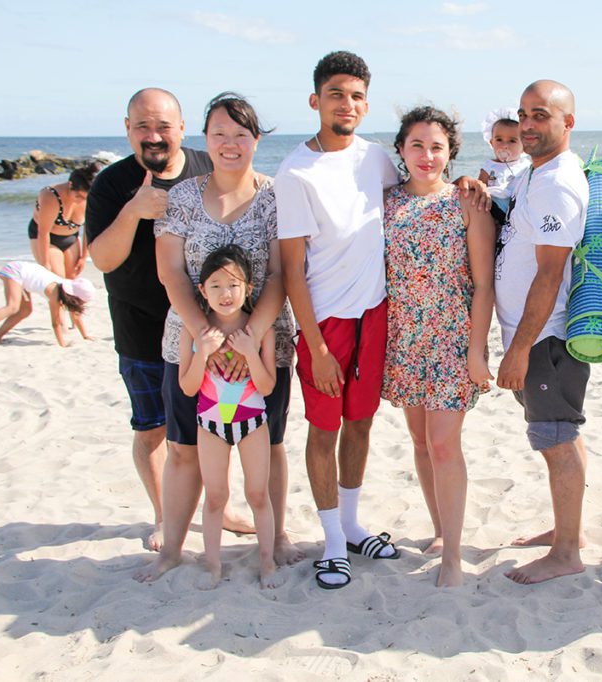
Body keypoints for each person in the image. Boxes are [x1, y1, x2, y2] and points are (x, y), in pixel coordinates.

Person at [138, 92, 302, 583]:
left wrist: (249, 338)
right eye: (219, 134)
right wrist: (207, 335)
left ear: (256, 139)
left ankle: (279, 537)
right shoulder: (184, 197)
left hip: (263, 344)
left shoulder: (276, 195)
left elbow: (278, 275)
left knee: (269, 443)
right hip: (190, 343)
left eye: (241, 134)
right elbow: (171, 274)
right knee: (183, 447)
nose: (230, 144)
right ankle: (172, 549)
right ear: (204, 140)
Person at [277, 51, 403, 591]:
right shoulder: (294, 172)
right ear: (315, 101)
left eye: (355, 96)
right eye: (335, 94)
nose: (346, 104)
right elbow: (290, 270)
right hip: (324, 322)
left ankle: (351, 525)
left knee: (361, 422)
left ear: (365, 103)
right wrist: (317, 346)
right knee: (323, 429)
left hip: (374, 312)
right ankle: (331, 542)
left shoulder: (376, 157)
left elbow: (416, 194)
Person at [86, 88, 216, 553]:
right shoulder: (111, 184)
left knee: (212, 425)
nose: (154, 136)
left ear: (182, 128)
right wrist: (133, 211)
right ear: (127, 129)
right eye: (142, 126)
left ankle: (216, 508)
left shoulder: (208, 167)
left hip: (202, 327)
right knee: (152, 427)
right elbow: (101, 257)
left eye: (163, 126)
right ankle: (165, 514)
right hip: (140, 325)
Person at [383, 106, 495, 587]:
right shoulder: (385, 201)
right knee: (420, 442)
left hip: (453, 340)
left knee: (445, 444)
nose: (426, 156)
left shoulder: (468, 203)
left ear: (450, 153)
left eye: (436, 147)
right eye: (417, 145)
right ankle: (437, 529)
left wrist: (477, 350)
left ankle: (452, 553)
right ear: (401, 150)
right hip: (403, 339)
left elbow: (485, 285)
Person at [494, 80, 590, 585]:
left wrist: (518, 350)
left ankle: (567, 551)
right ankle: (566, 530)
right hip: (535, 338)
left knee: (555, 440)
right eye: (523, 114)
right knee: (561, 437)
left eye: (540, 115)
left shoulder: (557, 182)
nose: (527, 125)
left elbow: (551, 275)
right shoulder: (536, 173)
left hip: (545, 342)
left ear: (566, 122)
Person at [179, 245, 281, 590]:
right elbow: (189, 388)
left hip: (252, 423)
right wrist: (202, 352)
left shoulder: (258, 331)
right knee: (216, 496)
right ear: (202, 290)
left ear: (248, 288)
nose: (226, 294)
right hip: (210, 425)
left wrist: (251, 353)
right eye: (216, 285)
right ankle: (212, 565)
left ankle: (267, 560)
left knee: (257, 494)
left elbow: (266, 386)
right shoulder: (195, 332)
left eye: (234, 285)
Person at [0, 261, 94, 346]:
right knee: (12, 307)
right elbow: (55, 323)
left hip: (23, 275)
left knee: (25, 311)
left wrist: (85, 336)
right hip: (15, 270)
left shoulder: (64, 289)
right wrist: (62, 344)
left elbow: (76, 316)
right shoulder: (55, 293)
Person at [28, 164, 98, 280]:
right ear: (70, 185)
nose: (81, 201)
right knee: (57, 281)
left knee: (71, 280)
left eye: (85, 198)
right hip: (46, 237)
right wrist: (45, 263)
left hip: (70, 238)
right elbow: (43, 232)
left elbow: (88, 229)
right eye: (78, 196)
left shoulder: (90, 198)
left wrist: (84, 257)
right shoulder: (51, 196)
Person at [477, 107, 530, 196]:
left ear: (523, 146)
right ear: (491, 143)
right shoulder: (489, 167)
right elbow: (479, 190)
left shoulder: (525, 167)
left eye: (512, 141)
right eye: (499, 140)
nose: (504, 145)